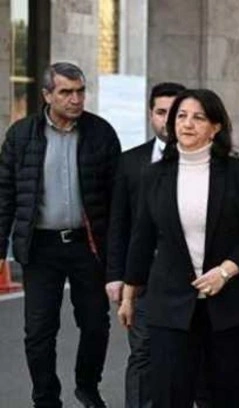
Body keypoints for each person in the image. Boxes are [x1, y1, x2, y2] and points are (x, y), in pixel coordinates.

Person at [117, 89, 239, 407]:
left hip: (231, 304)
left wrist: (224, 272)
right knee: (170, 393)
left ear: (215, 127)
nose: (187, 124)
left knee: (226, 394)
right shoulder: (154, 175)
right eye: (181, 116)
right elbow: (142, 239)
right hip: (170, 304)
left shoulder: (237, 173)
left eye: (198, 117)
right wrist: (129, 296)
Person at [0, 62, 121, 408]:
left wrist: (119, 255)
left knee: (96, 325)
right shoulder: (21, 135)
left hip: (88, 245)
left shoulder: (101, 133)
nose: (75, 99)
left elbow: (117, 199)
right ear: (47, 95)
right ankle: (45, 399)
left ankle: (87, 385)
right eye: (66, 92)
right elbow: (5, 194)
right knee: (39, 331)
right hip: (40, 248)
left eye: (80, 91)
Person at [105, 82, 186, 407]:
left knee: (191, 356)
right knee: (143, 353)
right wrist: (115, 275)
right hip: (143, 277)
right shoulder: (130, 162)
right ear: (150, 115)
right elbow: (118, 223)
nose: (168, 120)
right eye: (161, 112)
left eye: (175, 113)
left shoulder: (209, 163)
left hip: (193, 277)